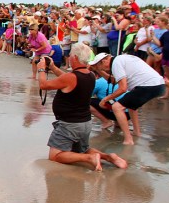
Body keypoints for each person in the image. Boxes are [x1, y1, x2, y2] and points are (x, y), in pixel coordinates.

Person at [38, 43, 127, 171]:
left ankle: (90, 159)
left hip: (69, 124)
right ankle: (109, 157)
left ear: (74, 57)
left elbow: (44, 85)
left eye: (70, 56)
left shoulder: (72, 77)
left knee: (55, 156)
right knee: (83, 149)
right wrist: (52, 67)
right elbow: (67, 80)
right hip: (84, 123)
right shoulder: (89, 75)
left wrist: (41, 68)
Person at [88, 52, 165, 145]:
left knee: (117, 107)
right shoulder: (120, 60)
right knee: (131, 106)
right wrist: (98, 69)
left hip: (149, 85)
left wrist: (105, 99)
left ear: (104, 61)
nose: (101, 69)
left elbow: (123, 88)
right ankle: (137, 132)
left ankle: (128, 140)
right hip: (158, 84)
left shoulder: (116, 63)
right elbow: (113, 81)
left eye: (99, 66)